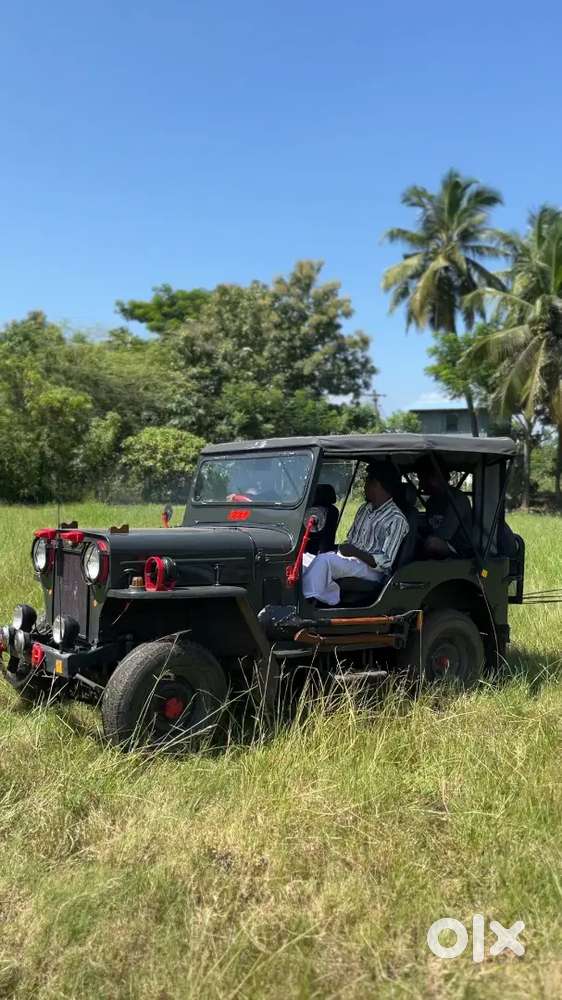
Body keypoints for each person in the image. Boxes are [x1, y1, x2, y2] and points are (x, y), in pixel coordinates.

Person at [302, 462, 409, 606]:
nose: (364, 487)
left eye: (366, 482)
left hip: (372, 570)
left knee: (323, 561)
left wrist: (355, 552)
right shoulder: (365, 509)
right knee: (304, 558)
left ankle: (311, 603)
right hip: (352, 559)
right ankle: (316, 597)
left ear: (376, 484)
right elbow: (351, 539)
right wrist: (344, 550)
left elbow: (385, 562)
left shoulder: (396, 519)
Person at [415, 455, 473, 558]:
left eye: (422, 479)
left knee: (431, 543)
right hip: (440, 548)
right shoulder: (432, 502)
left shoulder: (457, 500)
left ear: (434, 478)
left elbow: (443, 536)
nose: (420, 486)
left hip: (460, 553)